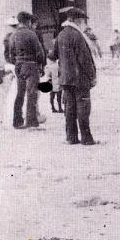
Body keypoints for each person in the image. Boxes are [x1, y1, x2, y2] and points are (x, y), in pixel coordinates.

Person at [51, 8, 97, 145]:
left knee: (69, 109)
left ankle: (71, 138)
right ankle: (86, 139)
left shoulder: (61, 35)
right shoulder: (78, 35)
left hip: (65, 79)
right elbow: (85, 60)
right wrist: (92, 76)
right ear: (77, 20)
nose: (83, 22)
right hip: (80, 79)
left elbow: (53, 55)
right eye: (82, 20)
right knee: (83, 108)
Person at [8, 11, 46, 129]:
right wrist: (41, 64)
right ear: (28, 21)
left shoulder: (13, 35)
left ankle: (17, 121)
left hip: (19, 66)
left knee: (20, 93)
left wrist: (17, 62)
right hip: (31, 65)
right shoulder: (31, 34)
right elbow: (39, 52)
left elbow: (11, 54)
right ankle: (31, 122)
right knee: (32, 93)